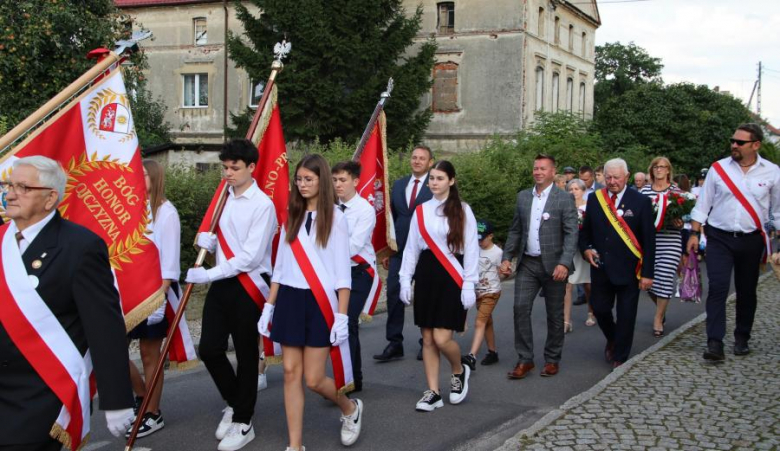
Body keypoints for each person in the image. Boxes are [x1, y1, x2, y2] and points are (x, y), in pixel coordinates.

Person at [0, 156, 134, 450]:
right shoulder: (2, 240)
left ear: (50, 199)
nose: (9, 193)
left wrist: (116, 399)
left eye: (22, 187)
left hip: (39, 393)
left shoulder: (80, 246)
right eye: (8, 185)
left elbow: (104, 326)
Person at [258, 154, 362, 449]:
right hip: (289, 298)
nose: (302, 185)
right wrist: (269, 305)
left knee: (314, 379)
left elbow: (343, 273)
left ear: (322, 181)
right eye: (299, 179)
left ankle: (350, 409)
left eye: (309, 179)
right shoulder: (292, 214)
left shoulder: (336, 218)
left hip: (320, 301)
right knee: (291, 372)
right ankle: (295, 444)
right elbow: (280, 265)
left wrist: (342, 316)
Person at [185, 139, 277, 451]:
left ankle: (243, 420)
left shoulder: (262, 204)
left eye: (234, 168)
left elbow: (251, 256)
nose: (228, 173)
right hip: (223, 281)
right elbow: (222, 248)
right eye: (225, 168)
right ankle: (236, 401)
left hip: (249, 285)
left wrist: (208, 274)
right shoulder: (222, 198)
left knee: (246, 354)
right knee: (209, 348)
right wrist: (209, 248)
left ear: (251, 167)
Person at [687, 123, 780, 361]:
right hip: (719, 237)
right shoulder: (719, 169)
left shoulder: (772, 172)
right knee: (717, 287)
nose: (734, 145)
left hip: (751, 240)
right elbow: (703, 204)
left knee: (747, 290)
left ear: (756, 145)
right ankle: (714, 341)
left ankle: (742, 337)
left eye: (740, 142)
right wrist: (694, 234)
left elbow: (777, 212)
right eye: (733, 141)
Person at [399, 160, 478, 411]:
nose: (434, 182)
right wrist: (404, 278)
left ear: (451, 181)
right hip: (426, 274)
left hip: (452, 276)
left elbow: (472, 250)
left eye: (440, 178)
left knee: (443, 338)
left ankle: (458, 369)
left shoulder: (463, 210)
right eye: (431, 178)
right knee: (428, 339)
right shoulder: (421, 210)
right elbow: (411, 248)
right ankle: (433, 392)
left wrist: (469, 284)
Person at [500, 155, 579, 379]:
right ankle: (525, 359)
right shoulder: (523, 197)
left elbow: (572, 233)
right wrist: (507, 257)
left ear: (553, 172)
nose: (538, 172)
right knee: (520, 308)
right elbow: (516, 230)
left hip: (555, 265)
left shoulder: (563, 199)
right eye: (535, 168)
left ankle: (552, 359)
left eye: (543, 169)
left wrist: (564, 262)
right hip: (528, 263)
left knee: (554, 314)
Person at [579, 158, 655, 368]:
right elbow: (585, 232)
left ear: (627, 177)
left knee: (626, 315)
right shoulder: (595, 199)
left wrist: (648, 273)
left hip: (629, 269)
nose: (612, 182)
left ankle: (620, 355)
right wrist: (585, 249)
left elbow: (649, 240)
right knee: (600, 309)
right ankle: (613, 338)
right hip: (601, 268)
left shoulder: (640, 202)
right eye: (608, 177)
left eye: (616, 177)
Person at [126, 159, 181, 438]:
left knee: (150, 353)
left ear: (155, 177)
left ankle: (152, 412)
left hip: (154, 291)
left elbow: (169, 262)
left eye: (143, 174)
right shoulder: (130, 207)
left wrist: (159, 299)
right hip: (126, 291)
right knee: (111, 351)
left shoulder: (166, 212)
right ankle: (141, 395)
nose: (138, 178)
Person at [374, 146, 433, 362]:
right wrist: (388, 249)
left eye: (422, 158)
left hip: (425, 252)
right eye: (414, 157)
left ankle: (425, 342)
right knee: (395, 295)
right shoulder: (399, 184)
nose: (417, 161)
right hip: (399, 251)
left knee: (424, 298)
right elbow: (390, 217)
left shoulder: (434, 185)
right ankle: (394, 342)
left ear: (430, 162)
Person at [332, 161, 377, 392]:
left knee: (347, 322)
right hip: (335, 273)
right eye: (335, 180)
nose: (338, 185)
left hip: (358, 273)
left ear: (356, 182)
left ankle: (352, 379)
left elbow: (353, 247)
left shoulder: (365, 210)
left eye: (343, 180)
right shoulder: (330, 207)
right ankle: (341, 375)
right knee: (334, 324)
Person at [640, 157, 683, 338]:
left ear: (668, 170)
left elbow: (683, 217)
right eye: (656, 167)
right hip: (650, 240)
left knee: (664, 276)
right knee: (649, 281)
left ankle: (658, 318)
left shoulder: (675, 192)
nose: (659, 170)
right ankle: (661, 309)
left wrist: (679, 222)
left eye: (662, 167)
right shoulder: (644, 192)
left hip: (671, 239)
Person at [462, 219, 503, 368]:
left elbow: (502, 272)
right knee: (487, 322)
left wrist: (505, 271)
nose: (479, 242)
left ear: (490, 236)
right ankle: (493, 353)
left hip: (491, 293)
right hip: (478, 293)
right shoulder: (474, 248)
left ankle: (471, 356)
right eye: (477, 238)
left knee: (480, 322)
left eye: (482, 239)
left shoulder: (497, 252)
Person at [563, 179, 595, 331]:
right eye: (571, 189)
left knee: (588, 284)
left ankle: (591, 312)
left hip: (584, 248)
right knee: (567, 284)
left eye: (576, 189)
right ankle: (566, 320)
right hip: (569, 249)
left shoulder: (589, 207)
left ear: (583, 190)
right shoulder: (564, 207)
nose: (573, 191)